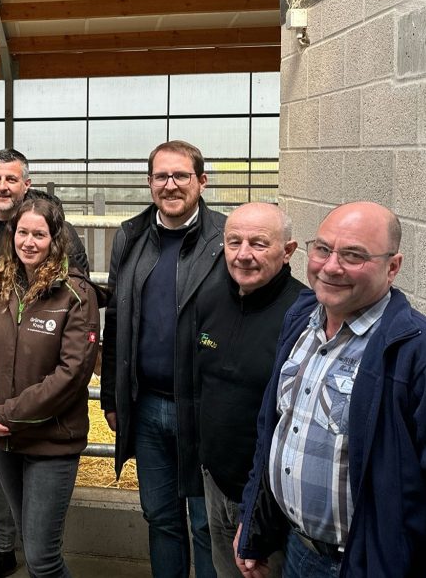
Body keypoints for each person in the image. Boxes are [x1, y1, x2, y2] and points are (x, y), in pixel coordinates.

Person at [237, 202, 426, 577]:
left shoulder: (413, 351)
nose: (331, 266)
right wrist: (254, 523)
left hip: (362, 563)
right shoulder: (301, 321)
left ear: (393, 266)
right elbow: (272, 431)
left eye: (353, 255)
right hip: (296, 548)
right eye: (322, 249)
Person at [0, 148, 89, 578]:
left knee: (44, 557)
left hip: (46, 432)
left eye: (39, 235)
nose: (29, 242)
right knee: (28, 538)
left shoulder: (73, 293)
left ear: (55, 239)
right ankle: (0, 549)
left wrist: (3, 413)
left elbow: (71, 373)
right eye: (22, 235)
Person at [101, 140, 225, 578]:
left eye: (181, 176)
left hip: (205, 409)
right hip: (147, 405)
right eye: (161, 176)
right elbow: (115, 317)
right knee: (160, 516)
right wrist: (112, 399)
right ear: (149, 182)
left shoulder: (225, 240)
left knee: (207, 523)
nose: (170, 185)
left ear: (201, 181)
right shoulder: (131, 237)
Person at [195, 203, 304, 578]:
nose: (243, 255)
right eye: (233, 242)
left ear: (287, 251)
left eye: (259, 243)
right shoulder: (210, 299)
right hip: (216, 480)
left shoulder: (304, 316)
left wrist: (261, 517)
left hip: (269, 499)